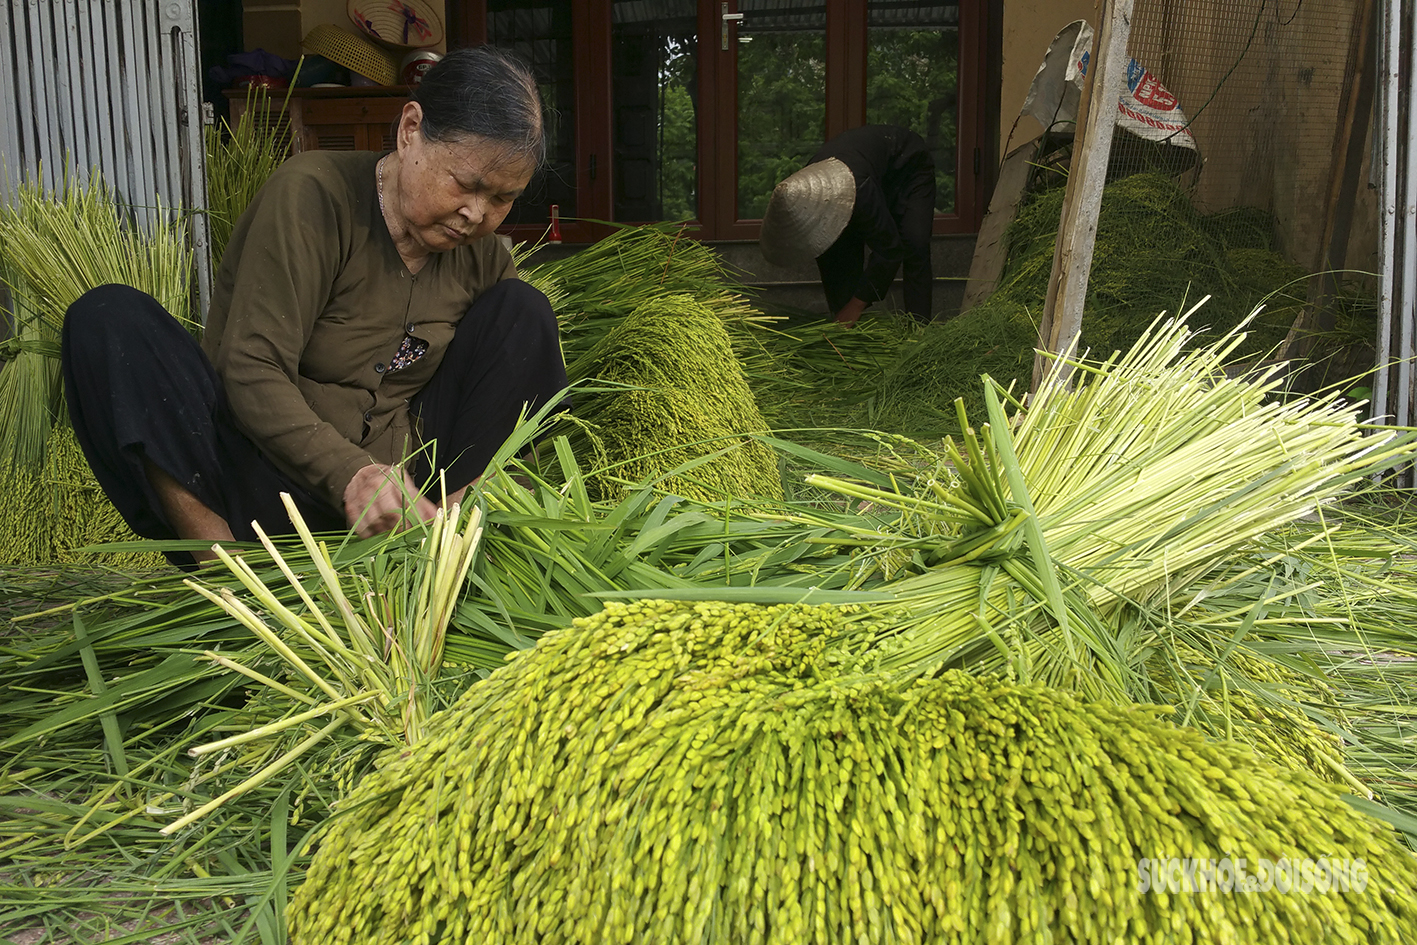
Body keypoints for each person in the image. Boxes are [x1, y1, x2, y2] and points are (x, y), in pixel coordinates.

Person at [61, 45, 569, 567]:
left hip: (405, 503)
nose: (475, 213)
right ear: (410, 129)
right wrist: (350, 472)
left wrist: (436, 502)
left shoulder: (480, 255)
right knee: (108, 320)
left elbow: (510, 385)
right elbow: (249, 367)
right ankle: (226, 574)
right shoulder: (313, 196)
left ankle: (445, 550)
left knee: (525, 313)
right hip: (268, 481)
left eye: (503, 200)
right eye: (466, 184)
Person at [759, 124, 936, 325]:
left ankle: (919, 328)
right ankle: (852, 333)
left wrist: (855, 306)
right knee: (837, 248)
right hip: (866, 170)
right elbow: (830, 259)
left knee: (915, 242)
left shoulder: (860, 190)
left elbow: (890, 250)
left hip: (908, 166)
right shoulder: (804, 190)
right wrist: (840, 312)